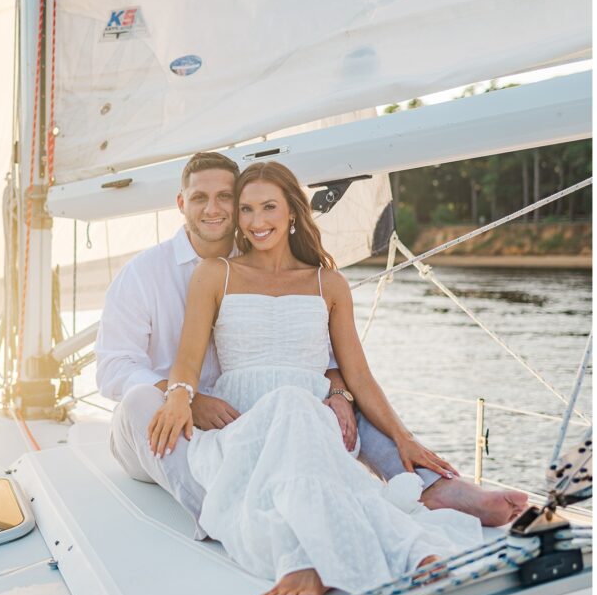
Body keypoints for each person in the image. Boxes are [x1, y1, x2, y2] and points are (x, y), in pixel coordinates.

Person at [97, 152, 527, 535]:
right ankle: (223, 513)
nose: (214, 209)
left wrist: (338, 389)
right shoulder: (145, 274)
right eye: (199, 199)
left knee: (340, 403)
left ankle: (436, 488)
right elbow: (113, 369)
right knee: (137, 401)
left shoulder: (288, 274)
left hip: (254, 416)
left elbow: (304, 354)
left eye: (227, 198)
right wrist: (187, 399)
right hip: (168, 428)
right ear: (180, 204)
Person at [148, 163, 488, 595]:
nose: (255, 220)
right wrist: (178, 396)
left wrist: (403, 437)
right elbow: (188, 362)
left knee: (295, 405)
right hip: (243, 431)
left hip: (315, 428)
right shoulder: (215, 273)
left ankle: (306, 557)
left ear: (293, 212)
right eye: (246, 209)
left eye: (269, 207)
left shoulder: (330, 283)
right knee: (296, 413)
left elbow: (359, 374)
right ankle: (409, 551)